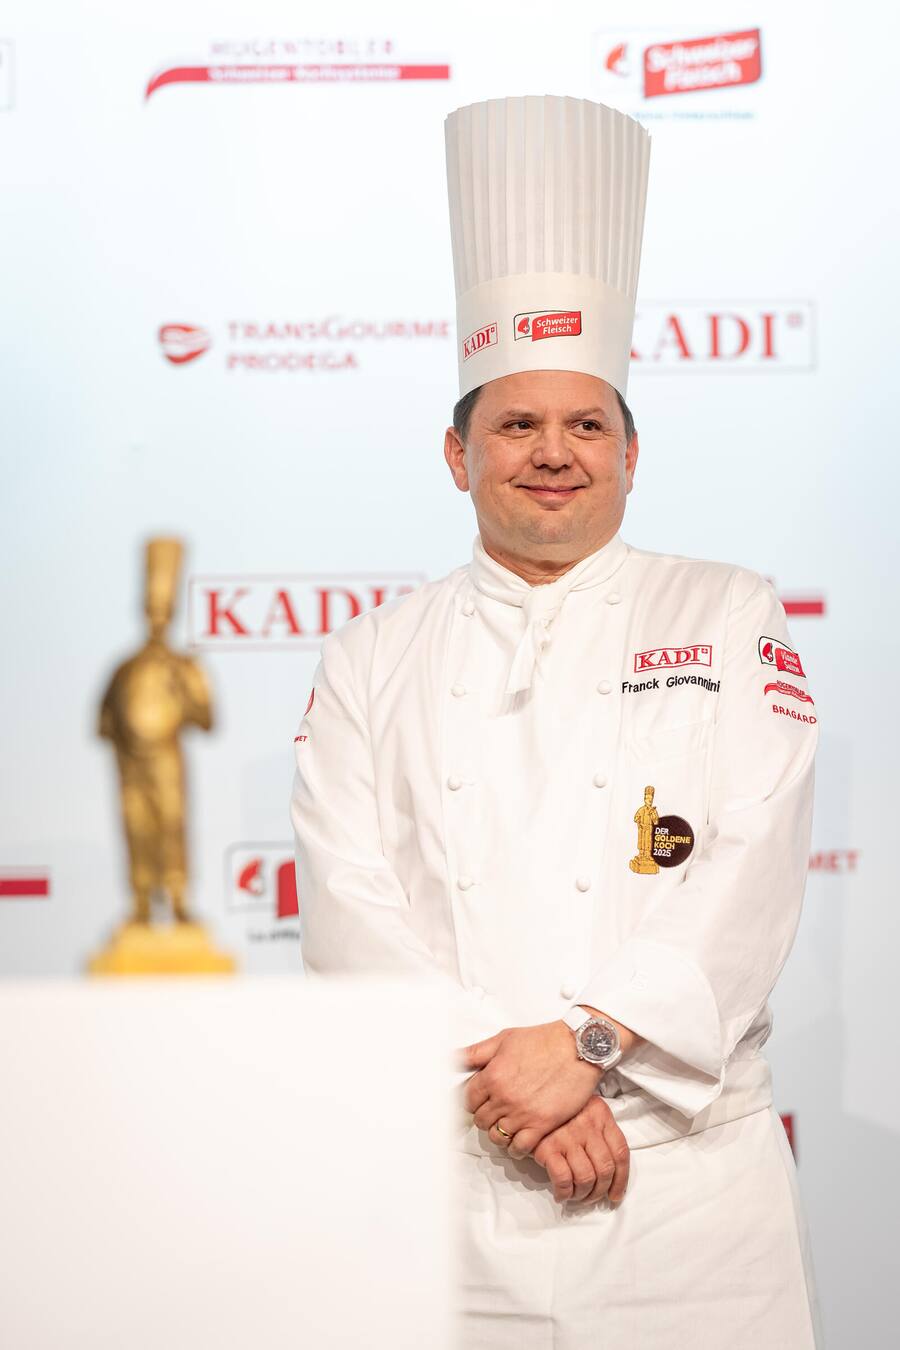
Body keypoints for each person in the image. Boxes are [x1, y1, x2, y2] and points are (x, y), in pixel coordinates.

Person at [291, 95, 822, 1348]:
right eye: (516, 424)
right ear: (456, 454)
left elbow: (750, 864)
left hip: (687, 1193)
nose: (553, 452)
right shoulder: (371, 652)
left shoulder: (728, 610)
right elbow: (345, 902)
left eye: (586, 424)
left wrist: (584, 1045)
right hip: (450, 1181)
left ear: (631, 454)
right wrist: (514, 1082)